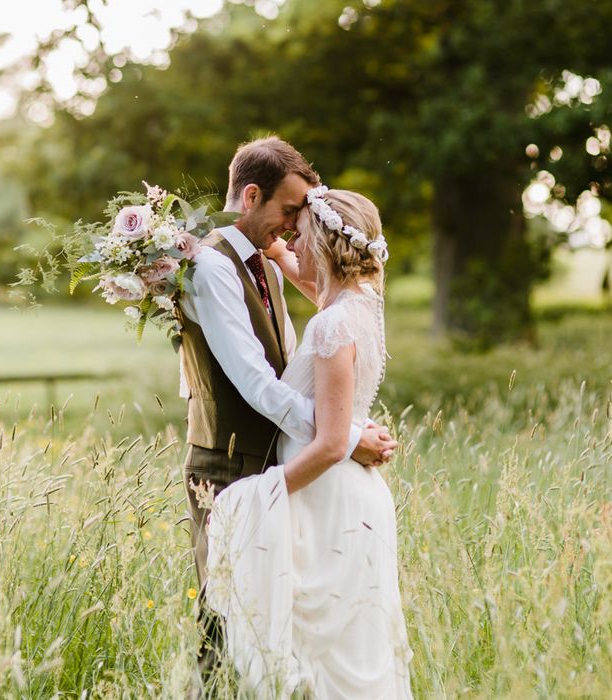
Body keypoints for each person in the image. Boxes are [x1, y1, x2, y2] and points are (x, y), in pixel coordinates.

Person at [177, 136, 398, 695]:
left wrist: (337, 437)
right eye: (289, 212)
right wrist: (345, 436)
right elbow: (256, 383)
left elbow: (299, 348)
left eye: (305, 216)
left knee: (287, 630)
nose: (295, 227)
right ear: (251, 196)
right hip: (231, 466)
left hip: (289, 471)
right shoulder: (213, 268)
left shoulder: (267, 266)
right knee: (230, 622)